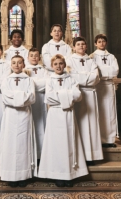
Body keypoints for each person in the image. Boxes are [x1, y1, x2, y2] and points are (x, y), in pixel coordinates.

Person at [38, 54, 88, 187]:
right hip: (54, 114)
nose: (58, 66)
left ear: (64, 65)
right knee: (56, 144)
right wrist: (67, 95)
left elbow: (78, 95)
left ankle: (70, 174)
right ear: (52, 66)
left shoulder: (71, 79)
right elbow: (49, 97)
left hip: (68, 114)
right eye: (55, 64)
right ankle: (58, 174)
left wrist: (60, 96)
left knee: (69, 142)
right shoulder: (49, 80)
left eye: (60, 63)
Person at [0, 55, 37, 188]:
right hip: (10, 116)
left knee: (23, 144)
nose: (17, 65)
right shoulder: (6, 80)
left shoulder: (29, 80)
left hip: (25, 115)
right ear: (10, 65)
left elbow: (32, 97)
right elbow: (5, 97)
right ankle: (10, 175)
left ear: (24, 65)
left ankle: (23, 176)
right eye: (14, 63)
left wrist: (16, 97)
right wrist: (21, 97)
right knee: (10, 143)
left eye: (19, 62)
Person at [66, 37, 103, 165]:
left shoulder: (91, 61)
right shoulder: (69, 60)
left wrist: (82, 76)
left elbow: (96, 77)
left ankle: (92, 155)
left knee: (92, 123)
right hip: (78, 94)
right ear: (74, 47)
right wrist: (86, 76)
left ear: (86, 47)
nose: (81, 46)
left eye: (83, 44)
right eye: (78, 44)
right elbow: (71, 77)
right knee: (79, 123)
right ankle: (80, 155)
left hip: (91, 94)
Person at [90, 34, 119, 148]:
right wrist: (106, 72)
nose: (101, 43)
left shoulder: (111, 56)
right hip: (98, 86)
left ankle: (110, 139)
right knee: (100, 111)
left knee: (110, 112)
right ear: (95, 43)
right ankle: (100, 139)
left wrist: (103, 72)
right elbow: (94, 71)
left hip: (109, 85)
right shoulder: (92, 56)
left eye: (103, 41)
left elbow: (115, 70)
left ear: (106, 43)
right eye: (99, 41)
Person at [25, 47, 49, 160]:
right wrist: (38, 84)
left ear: (39, 57)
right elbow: (24, 85)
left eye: (36, 55)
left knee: (42, 125)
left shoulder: (44, 70)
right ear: (27, 57)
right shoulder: (24, 70)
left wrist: (32, 84)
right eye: (31, 55)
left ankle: (41, 155)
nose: (34, 58)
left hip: (41, 100)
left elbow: (48, 83)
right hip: (29, 102)